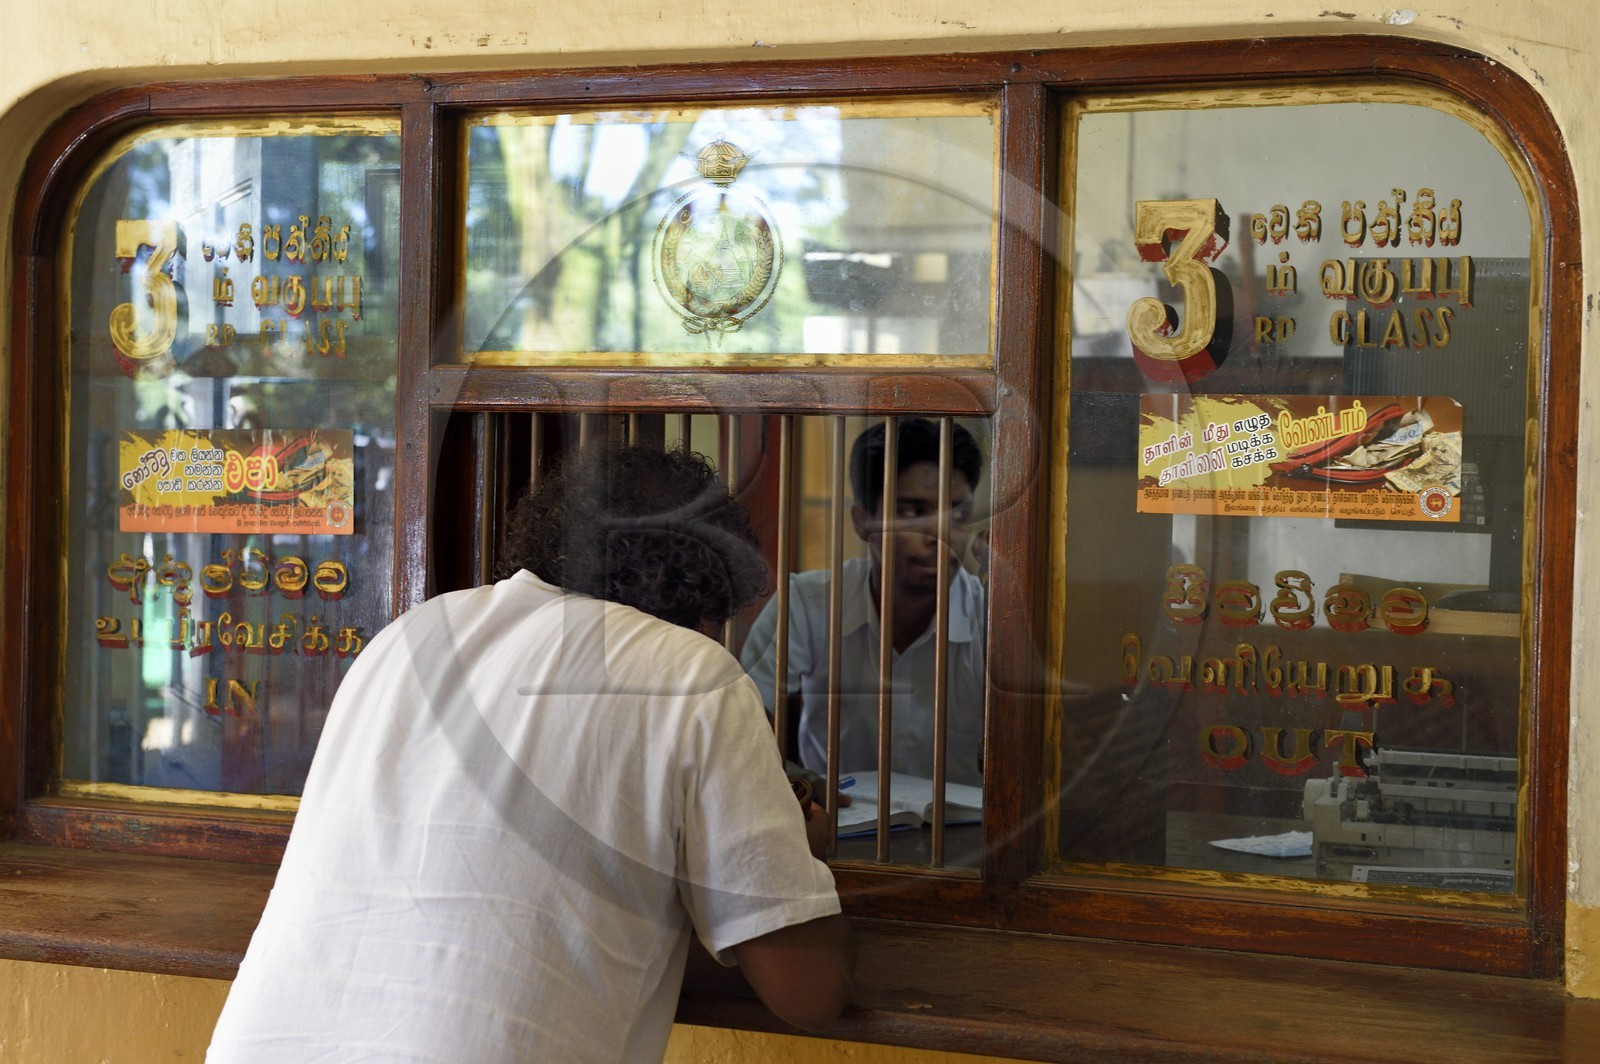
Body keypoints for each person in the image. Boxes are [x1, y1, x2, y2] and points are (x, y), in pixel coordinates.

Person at [207, 446, 854, 1063]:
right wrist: (801, 856)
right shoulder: (691, 671)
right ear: (709, 589)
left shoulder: (412, 632)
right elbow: (808, 994)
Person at [740, 418, 986, 789]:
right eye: (912, 512)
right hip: (838, 825)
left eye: (957, 514)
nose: (940, 534)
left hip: (964, 832)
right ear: (862, 521)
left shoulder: (992, 614)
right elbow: (745, 721)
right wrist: (800, 785)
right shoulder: (808, 606)